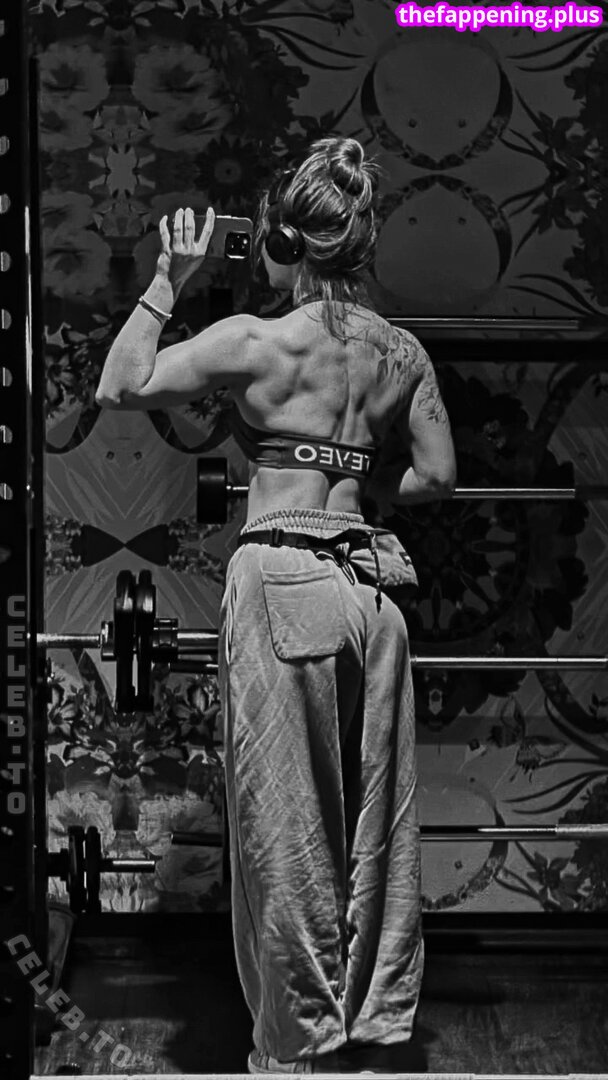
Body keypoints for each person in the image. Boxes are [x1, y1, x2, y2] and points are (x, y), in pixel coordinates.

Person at [95, 136, 456, 1075]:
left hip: (285, 580)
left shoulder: (258, 341)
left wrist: (169, 277)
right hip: (373, 593)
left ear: (285, 242)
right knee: (377, 825)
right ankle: (372, 1026)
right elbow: (435, 476)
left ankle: (297, 1049)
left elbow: (120, 383)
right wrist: (354, 479)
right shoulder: (401, 352)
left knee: (286, 829)